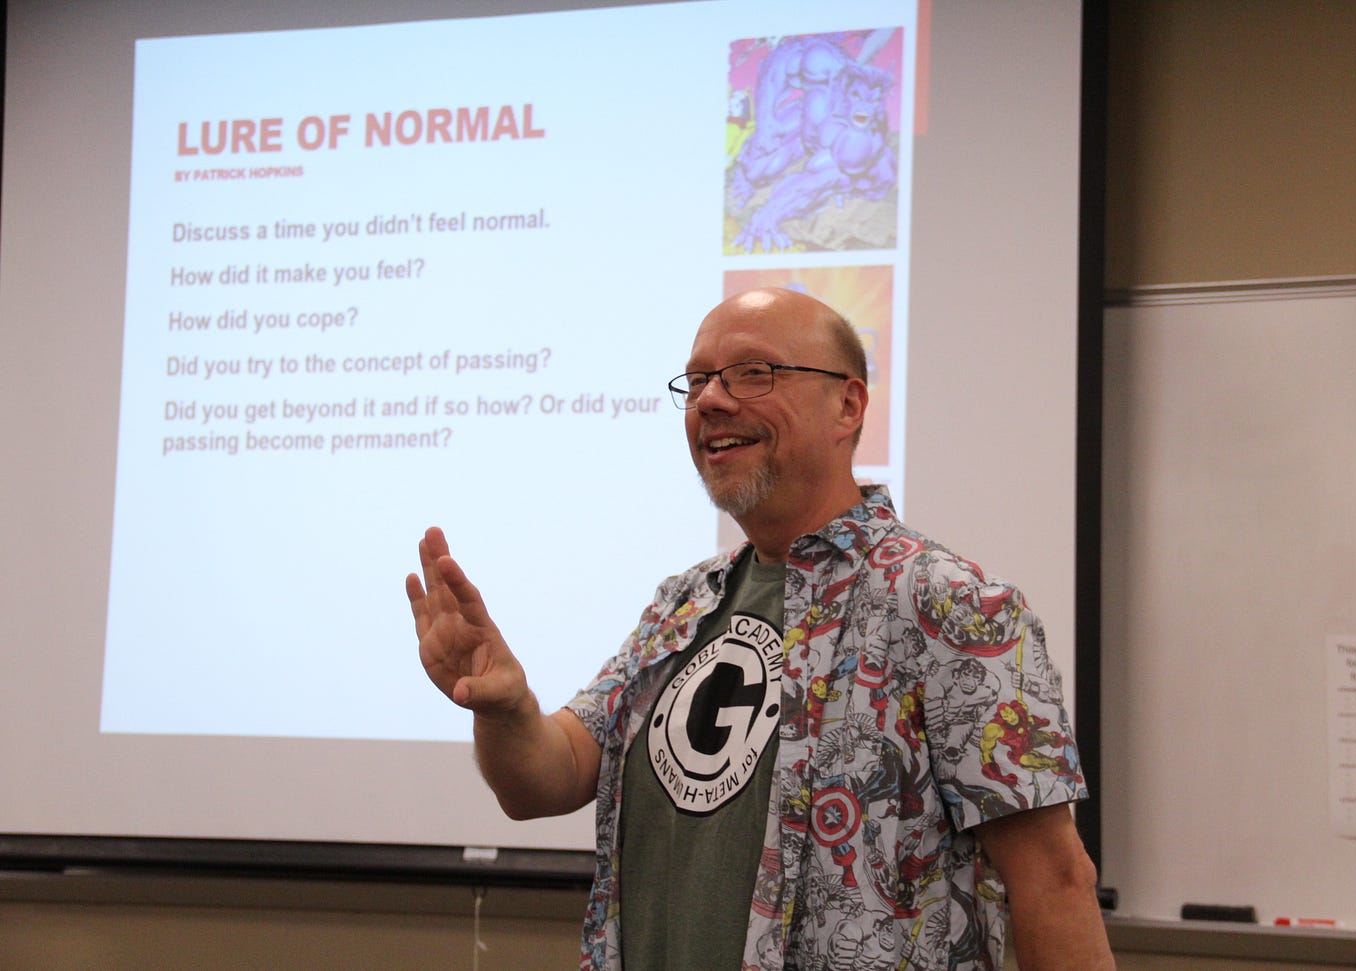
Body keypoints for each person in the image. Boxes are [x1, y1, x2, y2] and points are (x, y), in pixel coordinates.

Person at [407, 287, 1114, 970]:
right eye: (697, 380)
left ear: (848, 405)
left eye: (752, 373)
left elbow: (1054, 879)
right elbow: (546, 777)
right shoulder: (682, 604)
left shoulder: (949, 605)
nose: (711, 400)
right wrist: (505, 709)